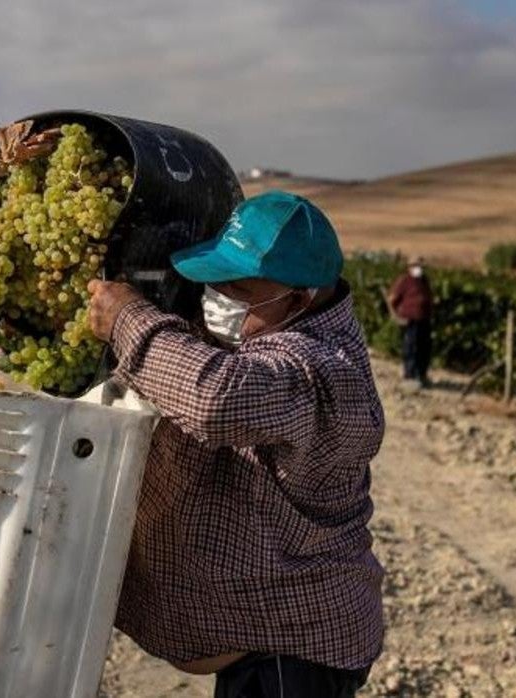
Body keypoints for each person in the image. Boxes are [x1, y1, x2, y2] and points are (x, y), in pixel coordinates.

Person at [87, 190, 386, 698]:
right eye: (216, 282)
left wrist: (128, 321)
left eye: (239, 288)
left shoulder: (326, 375)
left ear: (301, 297)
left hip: (295, 649)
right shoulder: (262, 339)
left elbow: (216, 399)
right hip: (262, 638)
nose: (218, 298)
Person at [386, 257, 433, 388]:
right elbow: (392, 299)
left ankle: (422, 375)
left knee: (424, 348)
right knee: (411, 348)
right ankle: (409, 376)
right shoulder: (404, 281)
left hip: (424, 319)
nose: (419, 268)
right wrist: (396, 316)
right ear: (409, 267)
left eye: (421, 266)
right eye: (416, 265)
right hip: (409, 320)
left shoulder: (424, 281)